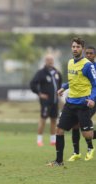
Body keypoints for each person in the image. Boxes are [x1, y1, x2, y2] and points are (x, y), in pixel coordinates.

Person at [47, 37, 96, 166]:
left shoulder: (88, 65)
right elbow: (73, 81)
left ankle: (87, 142)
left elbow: (95, 84)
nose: (75, 49)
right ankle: (59, 161)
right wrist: (63, 87)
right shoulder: (69, 63)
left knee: (87, 134)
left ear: (82, 49)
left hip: (83, 105)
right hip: (70, 104)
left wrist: (92, 99)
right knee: (59, 130)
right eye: (73, 47)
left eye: (78, 47)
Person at [68, 46, 96, 161]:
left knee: (82, 126)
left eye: (91, 53)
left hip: (92, 101)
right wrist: (64, 87)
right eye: (87, 53)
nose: (89, 55)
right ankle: (76, 152)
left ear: (95, 55)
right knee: (76, 124)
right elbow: (74, 80)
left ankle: (89, 148)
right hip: (84, 100)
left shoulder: (92, 67)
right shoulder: (83, 66)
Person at [30, 55, 62, 147]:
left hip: (55, 101)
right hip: (45, 101)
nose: (50, 61)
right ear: (45, 61)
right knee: (43, 119)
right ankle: (39, 140)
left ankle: (53, 140)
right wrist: (39, 93)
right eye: (48, 60)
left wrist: (59, 93)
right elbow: (32, 84)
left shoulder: (57, 73)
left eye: (51, 60)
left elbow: (59, 85)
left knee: (54, 120)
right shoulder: (41, 73)